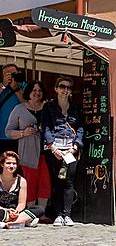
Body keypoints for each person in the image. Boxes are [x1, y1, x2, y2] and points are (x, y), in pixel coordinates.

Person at [42, 76, 83, 227]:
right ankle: (58, 214)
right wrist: (52, 147)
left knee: (68, 181)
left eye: (68, 88)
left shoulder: (75, 107)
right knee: (57, 181)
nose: (65, 90)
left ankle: (67, 214)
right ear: (56, 89)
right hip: (54, 149)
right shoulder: (49, 107)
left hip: (70, 150)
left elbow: (80, 128)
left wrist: (75, 147)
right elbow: (45, 128)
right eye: (62, 87)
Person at [5, 81, 50, 210]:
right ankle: (30, 212)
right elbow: (8, 132)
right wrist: (23, 133)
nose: (37, 93)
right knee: (30, 182)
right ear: (28, 92)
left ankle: (42, 212)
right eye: (34, 90)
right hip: (28, 152)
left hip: (46, 152)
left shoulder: (49, 107)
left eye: (39, 90)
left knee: (45, 182)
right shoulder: (19, 109)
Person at [0, 151, 39, 228]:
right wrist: (7, 210)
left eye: (14, 164)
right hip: (2, 211)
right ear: (2, 164)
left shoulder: (21, 181)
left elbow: (21, 203)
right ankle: (24, 221)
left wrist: (16, 212)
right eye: (8, 163)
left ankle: (9, 223)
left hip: (16, 212)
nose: (11, 166)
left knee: (39, 209)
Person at [0, 64, 26, 154]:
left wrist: (16, 88)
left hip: (16, 135)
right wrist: (4, 86)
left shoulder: (23, 87)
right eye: (8, 74)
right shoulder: (1, 87)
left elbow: (27, 105)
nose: (11, 76)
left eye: (13, 74)